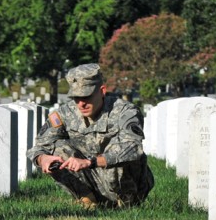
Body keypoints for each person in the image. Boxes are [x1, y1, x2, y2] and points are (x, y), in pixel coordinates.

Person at [27, 63, 154, 208]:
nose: (81, 103)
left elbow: (132, 148)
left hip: (128, 186)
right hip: (91, 180)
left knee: (118, 150)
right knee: (58, 148)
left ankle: (126, 203)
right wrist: (42, 159)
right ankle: (87, 199)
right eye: (76, 97)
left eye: (86, 96)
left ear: (102, 91)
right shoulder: (64, 113)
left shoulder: (125, 111)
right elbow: (38, 147)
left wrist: (90, 162)